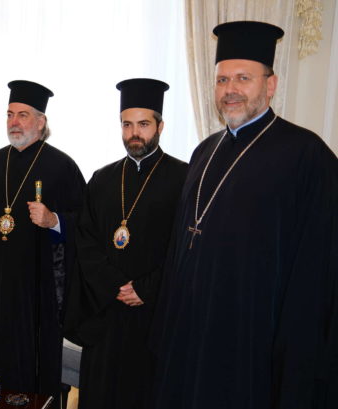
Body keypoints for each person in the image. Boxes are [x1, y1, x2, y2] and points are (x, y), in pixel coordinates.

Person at [149, 21, 338, 409]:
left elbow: (319, 270)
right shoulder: (204, 151)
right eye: (222, 80)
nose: (229, 89)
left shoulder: (307, 156)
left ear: (270, 85)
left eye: (243, 78)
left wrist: (295, 355)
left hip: (254, 342)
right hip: (191, 334)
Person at [0, 80, 86, 400]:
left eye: (23, 115)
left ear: (41, 121)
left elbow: (86, 225)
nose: (14, 122)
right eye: (10, 114)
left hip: (36, 295)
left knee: (30, 373)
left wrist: (54, 220)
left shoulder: (62, 167)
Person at [64, 79, 188, 409]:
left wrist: (146, 288)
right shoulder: (102, 178)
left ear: (160, 126)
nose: (134, 133)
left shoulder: (184, 179)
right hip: (106, 310)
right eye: (127, 124)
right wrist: (114, 285)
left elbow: (185, 247)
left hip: (154, 312)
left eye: (143, 124)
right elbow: (85, 240)